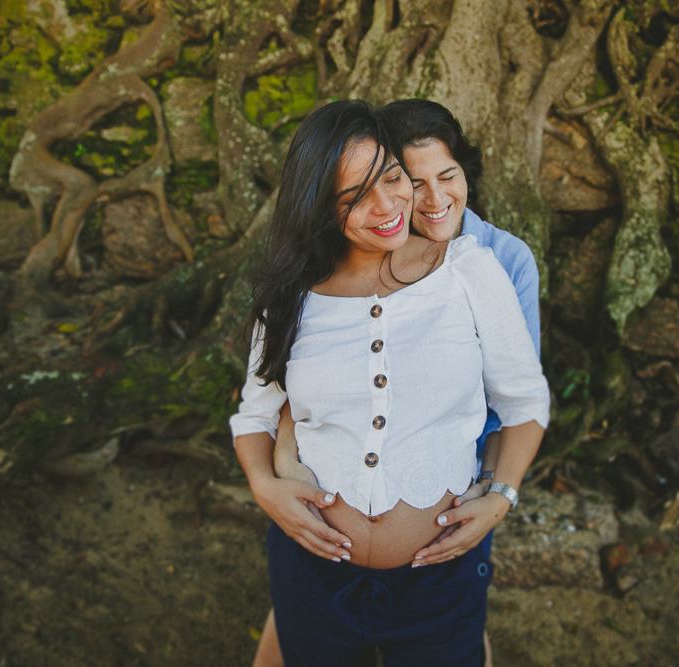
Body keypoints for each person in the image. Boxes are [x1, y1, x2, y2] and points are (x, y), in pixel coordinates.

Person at [230, 100, 549, 667]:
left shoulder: (476, 268)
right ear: (321, 208)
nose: (388, 204)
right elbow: (255, 412)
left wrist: (501, 496)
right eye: (354, 197)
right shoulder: (291, 297)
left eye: (392, 179)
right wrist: (263, 483)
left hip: (437, 578)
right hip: (312, 575)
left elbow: (521, 401)